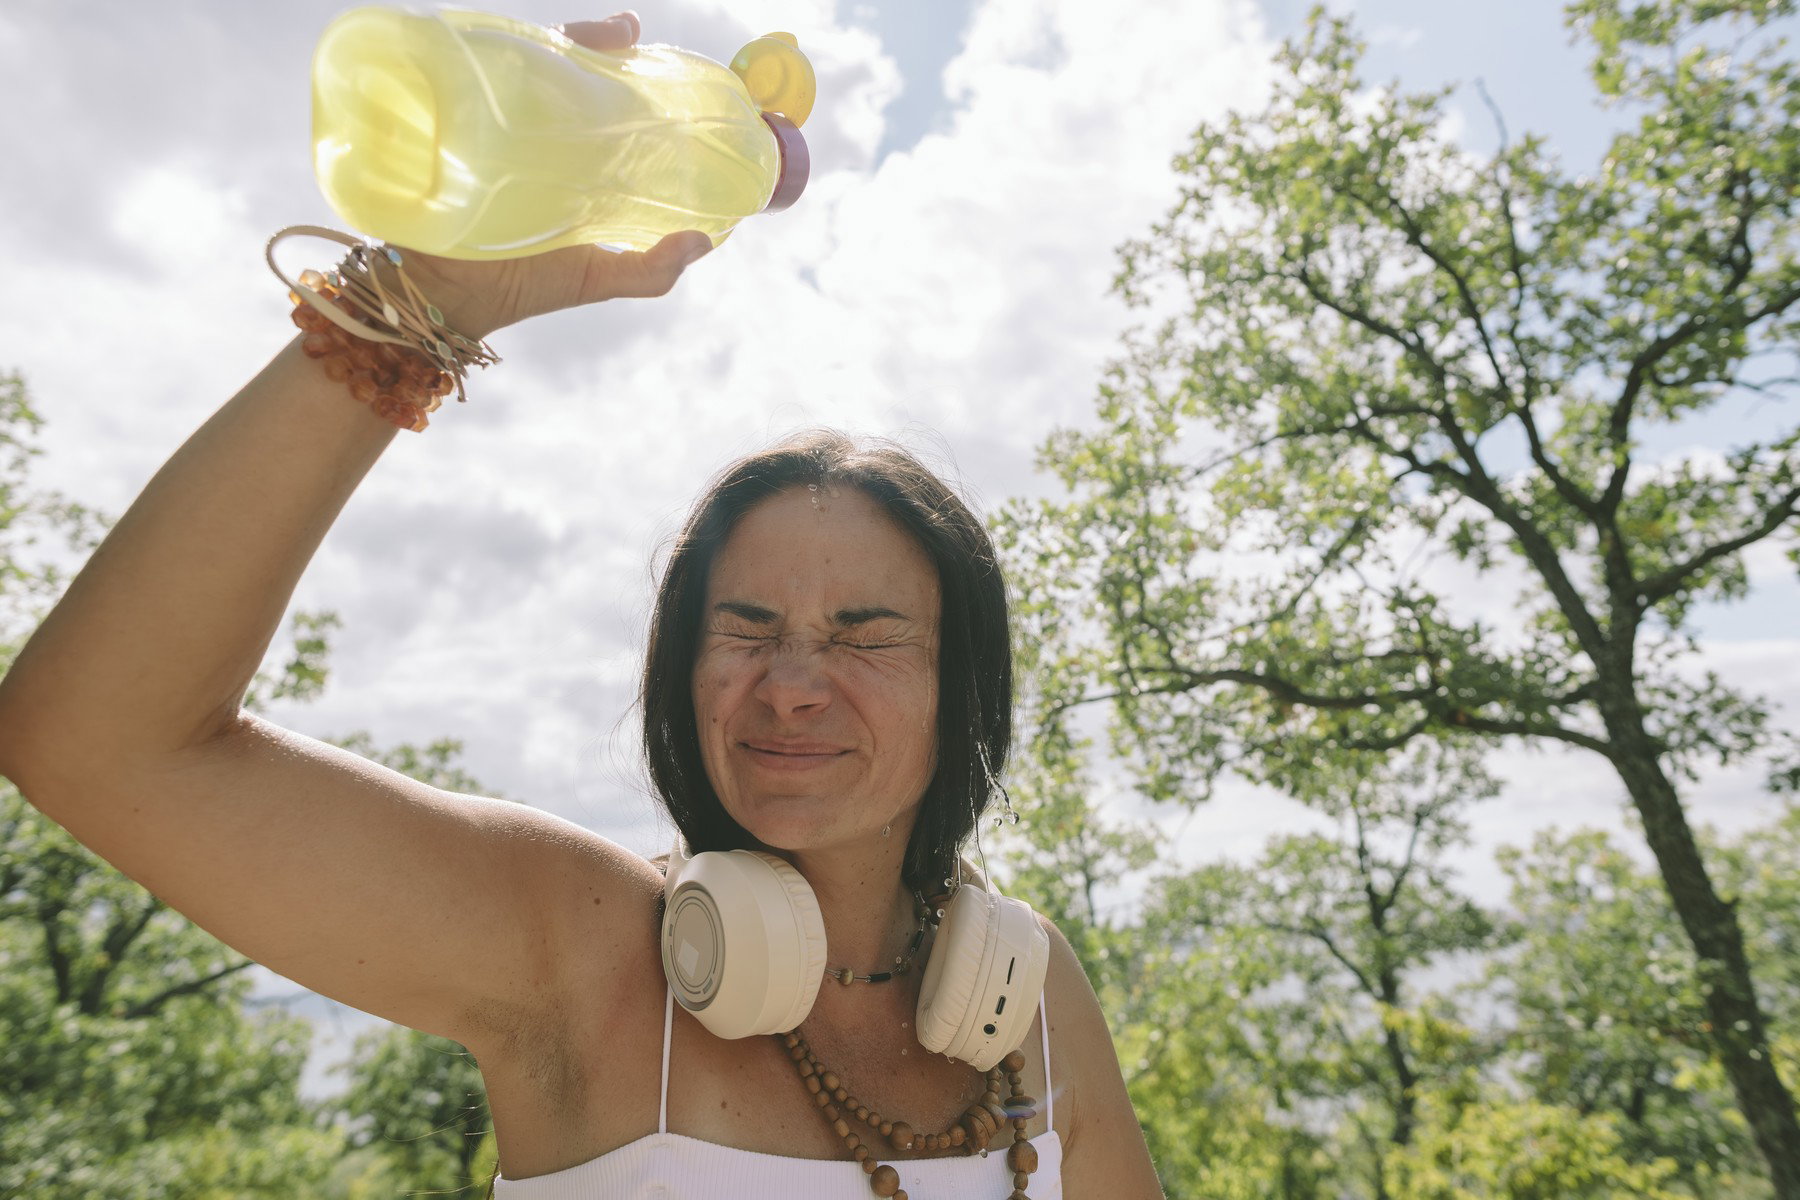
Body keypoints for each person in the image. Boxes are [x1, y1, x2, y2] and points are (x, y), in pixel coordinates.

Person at [0, 13, 1163, 1199]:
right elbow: (97, 741)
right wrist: (427, 300)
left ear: (961, 683)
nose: (793, 681)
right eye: (746, 628)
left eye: (864, 634)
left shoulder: (1031, 998)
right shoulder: (576, 947)